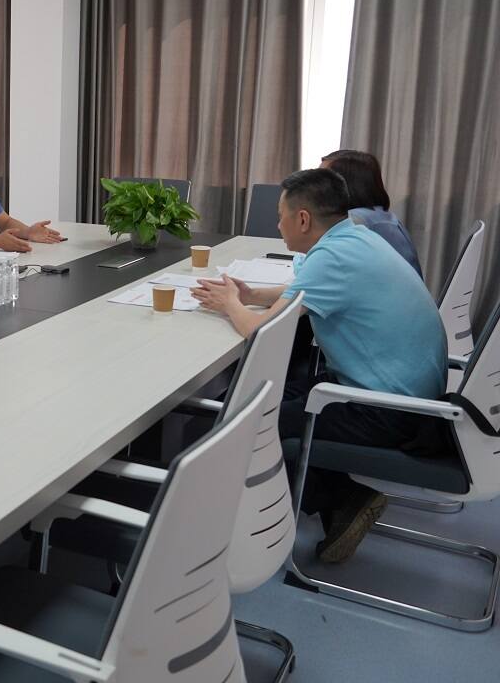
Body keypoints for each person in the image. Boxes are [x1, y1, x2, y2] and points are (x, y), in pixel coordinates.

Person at [191, 168, 448, 563]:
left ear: (303, 219)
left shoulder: (332, 256)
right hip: (402, 393)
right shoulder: (355, 237)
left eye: (280, 216)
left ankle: (340, 499)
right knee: (250, 394)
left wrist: (230, 305)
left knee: (249, 419)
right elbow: (304, 291)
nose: (277, 225)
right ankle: (342, 500)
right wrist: (250, 294)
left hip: (389, 410)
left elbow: (261, 332)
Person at [321, 149, 422, 277]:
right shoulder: (385, 217)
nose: (314, 186)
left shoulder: (354, 222)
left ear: (345, 184)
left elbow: (322, 270)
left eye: (321, 180)